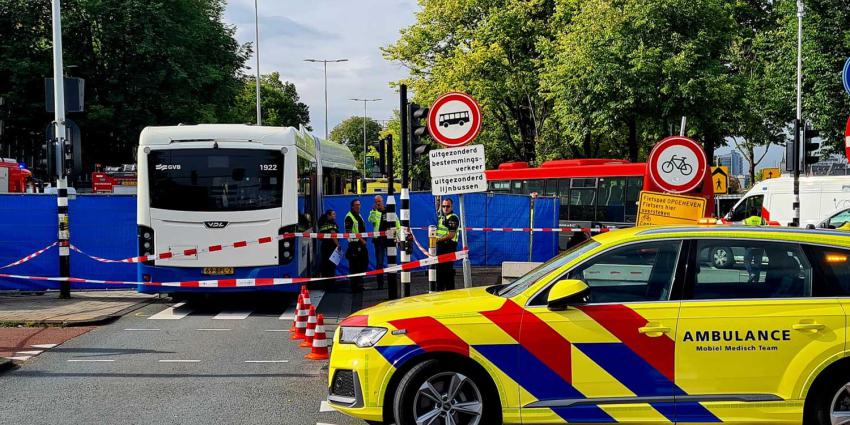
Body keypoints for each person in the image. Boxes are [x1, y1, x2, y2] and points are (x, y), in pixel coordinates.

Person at [435, 197, 460, 291]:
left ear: (451, 206)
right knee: (440, 271)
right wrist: (438, 199)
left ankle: (449, 291)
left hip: (449, 246)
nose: (445, 208)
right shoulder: (442, 216)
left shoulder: (453, 217)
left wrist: (438, 240)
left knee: (447, 271)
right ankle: (440, 290)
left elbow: (451, 235)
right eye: (443, 206)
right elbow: (437, 209)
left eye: (447, 206)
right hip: (441, 247)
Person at [345, 199, 368, 292]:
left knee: (363, 264)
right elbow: (349, 232)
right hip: (354, 245)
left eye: (359, 204)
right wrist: (361, 239)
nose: (358, 206)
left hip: (361, 245)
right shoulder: (349, 217)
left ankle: (359, 284)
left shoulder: (359, 215)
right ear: (352, 206)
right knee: (355, 266)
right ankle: (355, 287)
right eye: (356, 205)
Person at [368, 195, 387, 289]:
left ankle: (393, 282)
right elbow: (370, 220)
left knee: (392, 261)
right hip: (378, 241)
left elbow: (396, 222)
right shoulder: (374, 212)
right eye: (376, 202)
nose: (378, 203)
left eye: (379, 201)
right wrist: (373, 211)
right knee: (379, 263)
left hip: (389, 240)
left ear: (382, 201)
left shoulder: (388, 210)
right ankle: (380, 284)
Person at [318, 209, 339, 279]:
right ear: (328, 215)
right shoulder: (331, 224)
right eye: (333, 214)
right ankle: (331, 285)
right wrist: (338, 245)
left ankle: (325, 284)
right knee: (331, 266)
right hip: (331, 247)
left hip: (324, 247)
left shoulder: (322, 223)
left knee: (325, 265)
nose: (335, 215)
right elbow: (333, 235)